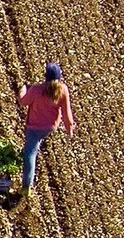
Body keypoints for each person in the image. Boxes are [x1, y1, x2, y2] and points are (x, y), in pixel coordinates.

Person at [14, 63, 77, 192]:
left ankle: (26, 186)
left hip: (34, 127)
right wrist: (69, 128)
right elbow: (66, 112)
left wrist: (23, 90)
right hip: (49, 127)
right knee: (34, 144)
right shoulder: (63, 90)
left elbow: (23, 101)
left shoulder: (37, 90)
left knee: (30, 154)